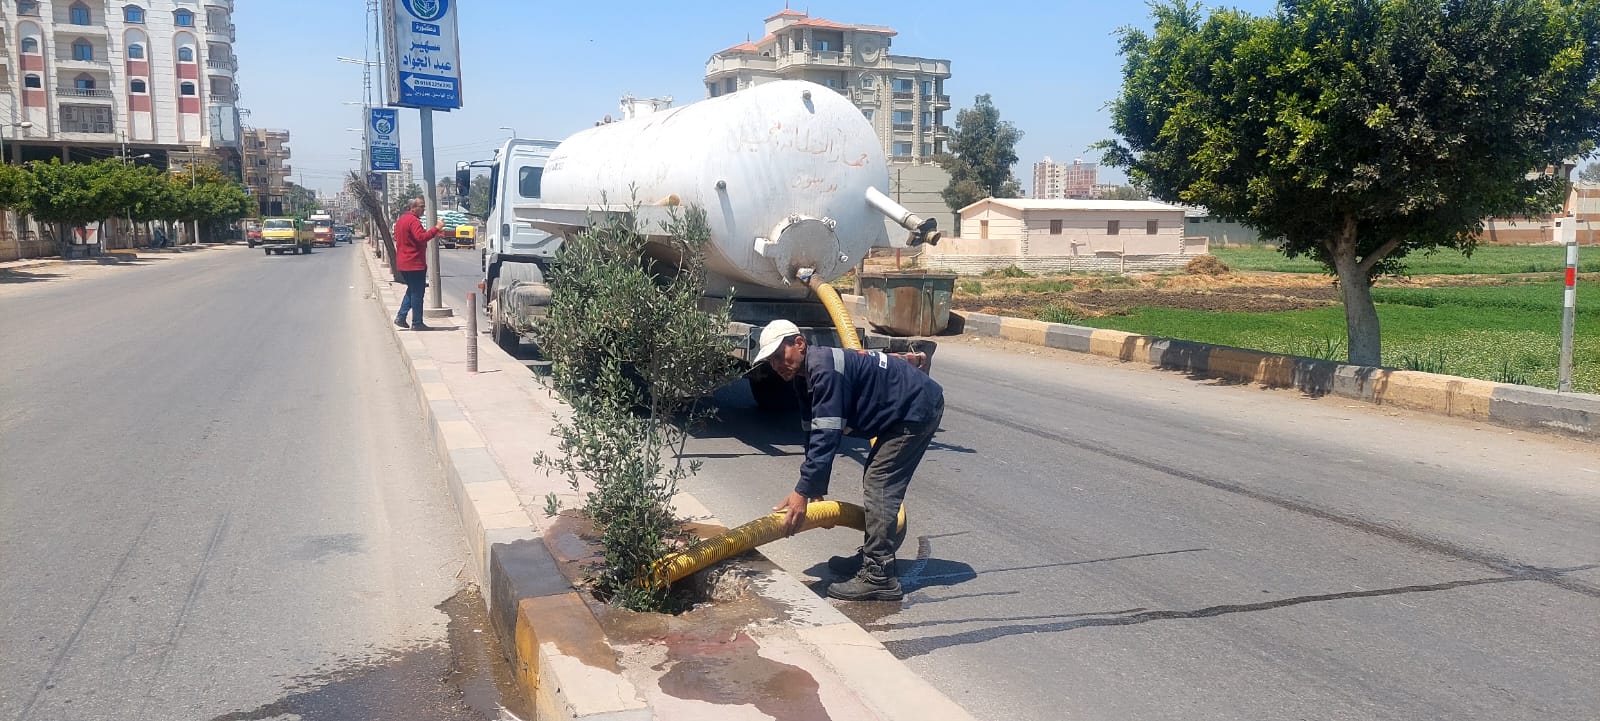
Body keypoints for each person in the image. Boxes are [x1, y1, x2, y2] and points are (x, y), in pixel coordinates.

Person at [752, 320, 945, 601]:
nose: (777, 365)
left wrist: (802, 491)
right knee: (877, 479)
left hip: (917, 408)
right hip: (905, 409)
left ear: (799, 343)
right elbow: (814, 431)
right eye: (771, 361)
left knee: (880, 482)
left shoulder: (825, 370)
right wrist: (814, 486)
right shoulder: (804, 376)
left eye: (780, 356)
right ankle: (873, 557)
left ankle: (879, 576)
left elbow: (828, 435)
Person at [393, 197, 444, 330]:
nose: (423, 209)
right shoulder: (413, 221)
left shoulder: (402, 220)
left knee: (413, 291)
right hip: (414, 263)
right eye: (421, 206)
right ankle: (416, 322)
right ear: (413, 208)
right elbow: (421, 238)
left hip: (404, 263)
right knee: (417, 293)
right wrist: (436, 228)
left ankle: (401, 317)